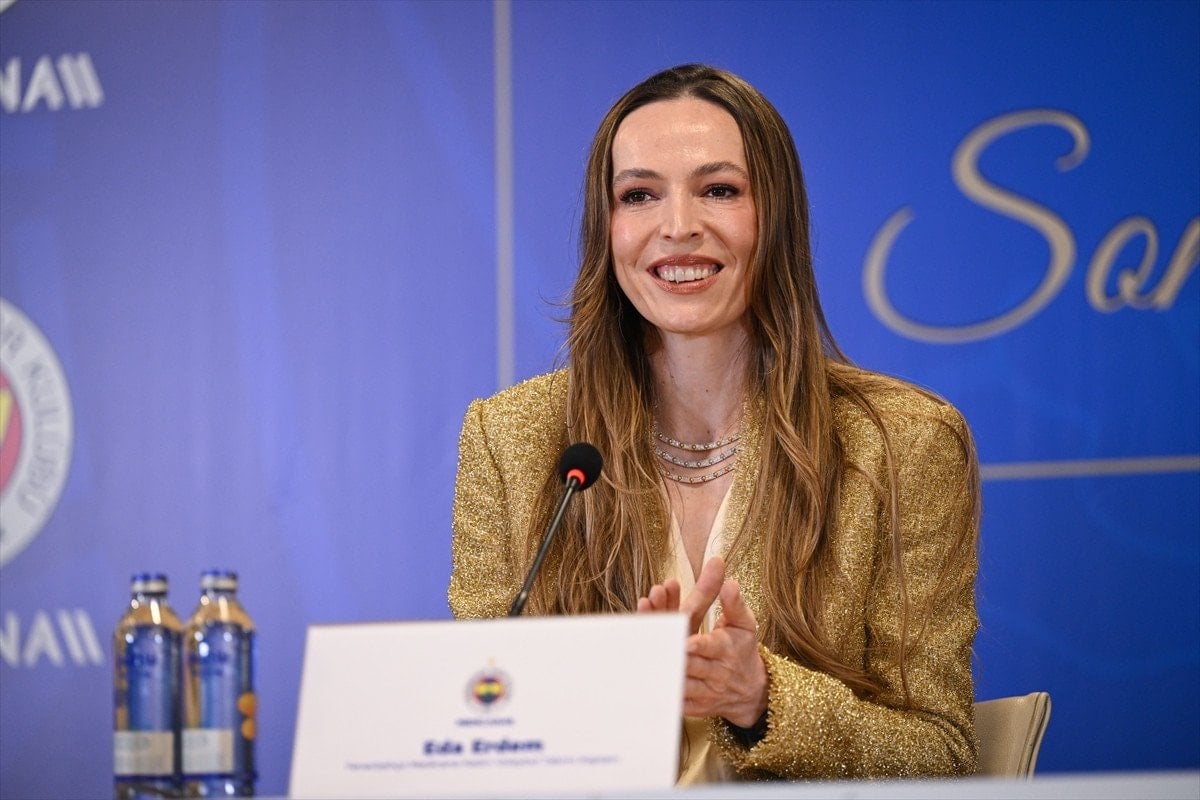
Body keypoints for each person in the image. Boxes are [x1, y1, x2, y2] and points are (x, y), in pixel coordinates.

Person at [448, 63, 980, 783]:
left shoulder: (901, 440)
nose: (677, 227)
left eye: (719, 190)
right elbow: (478, 727)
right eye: (639, 195)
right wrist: (606, 695)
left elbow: (941, 756)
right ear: (607, 229)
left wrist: (761, 698)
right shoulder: (511, 438)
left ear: (776, 218)